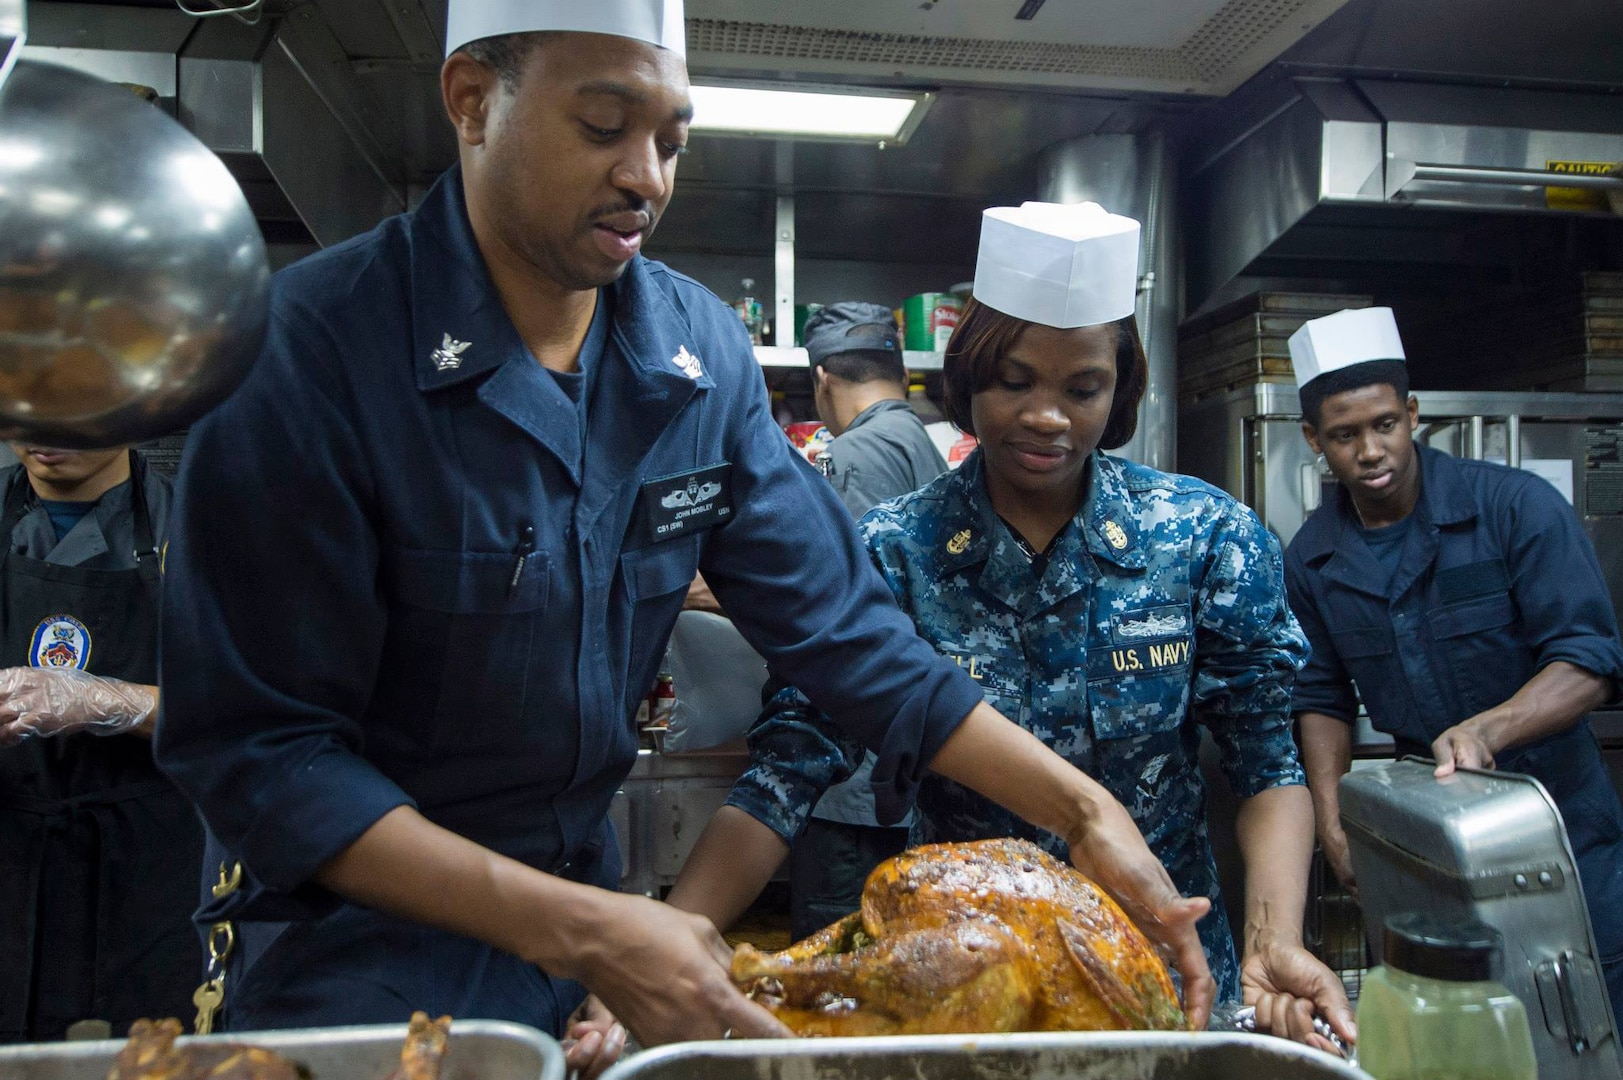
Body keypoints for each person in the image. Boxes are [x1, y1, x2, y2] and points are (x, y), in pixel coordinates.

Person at [154, 0, 1215, 1066]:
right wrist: (587, 928)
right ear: (472, 102)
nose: (647, 178)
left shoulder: (690, 355)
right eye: (603, 126)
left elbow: (849, 636)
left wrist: (1082, 815)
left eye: (670, 140)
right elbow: (261, 751)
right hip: (355, 959)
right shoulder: (311, 349)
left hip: (574, 943)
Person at [670, 201, 1355, 1051]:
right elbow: (786, 773)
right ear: (966, 379)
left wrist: (1272, 944)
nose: (1046, 417)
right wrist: (669, 941)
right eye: (1014, 380)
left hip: (1166, 988)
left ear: (1120, 387)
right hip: (964, 999)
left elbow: (1265, 762)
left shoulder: (1203, 536)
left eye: (1082, 388)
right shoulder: (894, 551)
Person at [1282, 306, 1623, 1032]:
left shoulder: (1512, 507)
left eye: (1383, 425)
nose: (1369, 451)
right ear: (1314, 439)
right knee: (1442, 1024)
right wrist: (1331, 819)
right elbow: (1318, 696)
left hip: (1556, 819)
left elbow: (1589, 660)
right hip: (1421, 835)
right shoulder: (1311, 557)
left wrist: (1487, 729)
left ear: (1411, 415)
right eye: (1343, 435)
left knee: (1582, 1019)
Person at [0, 442, 199, 1043]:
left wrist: (115, 702)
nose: (46, 430)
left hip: (148, 882)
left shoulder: (197, 526)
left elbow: (256, 720)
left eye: (75, 404)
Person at [788, 301, 948, 938]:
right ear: (899, 368)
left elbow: (844, 610)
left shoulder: (854, 454)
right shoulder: (921, 444)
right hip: (910, 770)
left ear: (822, 379)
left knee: (838, 986)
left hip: (857, 782)